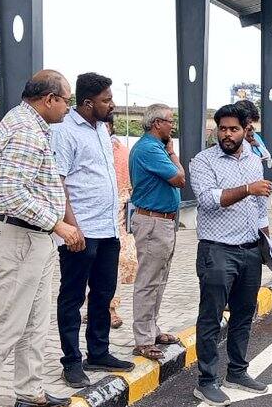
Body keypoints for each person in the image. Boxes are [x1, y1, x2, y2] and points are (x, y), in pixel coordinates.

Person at [0, 70, 83, 407]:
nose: (67, 108)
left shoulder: (28, 123)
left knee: (34, 322)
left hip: (32, 237)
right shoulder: (26, 131)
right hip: (19, 237)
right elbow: (12, 194)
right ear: (49, 99)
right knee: (8, 323)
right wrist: (58, 224)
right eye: (67, 101)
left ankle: (29, 393)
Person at [51, 73, 134, 389]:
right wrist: (71, 228)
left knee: (103, 293)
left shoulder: (101, 129)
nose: (111, 105)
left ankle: (98, 352)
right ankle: (71, 362)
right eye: (106, 100)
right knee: (72, 297)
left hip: (108, 229)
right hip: (80, 232)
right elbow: (59, 184)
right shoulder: (65, 132)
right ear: (87, 103)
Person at [188, 103, 272, 406]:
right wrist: (248, 188)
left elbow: (261, 206)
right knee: (211, 316)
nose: (226, 134)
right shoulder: (203, 161)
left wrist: (267, 243)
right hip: (217, 250)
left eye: (233, 129)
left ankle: (237, 371)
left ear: (245, 129)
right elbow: (209, 201)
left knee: (243, 314)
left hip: (250, 251)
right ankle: (207, 380)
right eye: (221, 128)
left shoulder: (254, 160)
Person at [129, 104, 186, 362]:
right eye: (169, 121)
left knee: (160, 280)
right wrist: (173, 154)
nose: (172, 126)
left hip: (162, 222)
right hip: (153, 222)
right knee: (148, 281)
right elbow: (179, 178)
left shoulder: (153, 148)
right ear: (157, 124)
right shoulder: (150, 149)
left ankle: (152, 330)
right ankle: (142, 339)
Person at [106, 117, 136, 330]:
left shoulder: (121, 151)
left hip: (118, 213)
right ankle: (99, 307)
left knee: (113, 261)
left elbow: (131, 186)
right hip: (90, 215)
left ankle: (110, 307)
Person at [233, 98, 271, 166]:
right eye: (248, 122)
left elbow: (267, 156)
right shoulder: (224, 135)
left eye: (250, 122)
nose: (248, 126)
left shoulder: (253, 135)